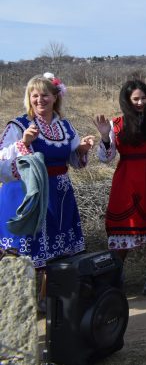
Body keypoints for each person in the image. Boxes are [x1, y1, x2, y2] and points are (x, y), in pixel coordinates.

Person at [0, 74, 96, 269]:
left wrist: (82, 149)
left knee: (57, 259)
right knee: (26, 259)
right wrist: (23, 143)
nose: (39, 100)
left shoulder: (65, 126)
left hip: (59, 197)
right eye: (34, 95)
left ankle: (55, 288)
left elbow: (74, 160)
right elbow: (2, 161)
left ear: (55, 97)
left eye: (44, 95)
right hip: (27, 196)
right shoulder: (18, 125)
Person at [93, 79, 146, 295]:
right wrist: (104, 136)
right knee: (124, 224)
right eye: (135, 99)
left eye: (143, 98)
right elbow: (106, 158)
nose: (140, 103)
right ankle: (117, 275)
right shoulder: (116, 124)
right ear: (127, 101)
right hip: (126, 179)